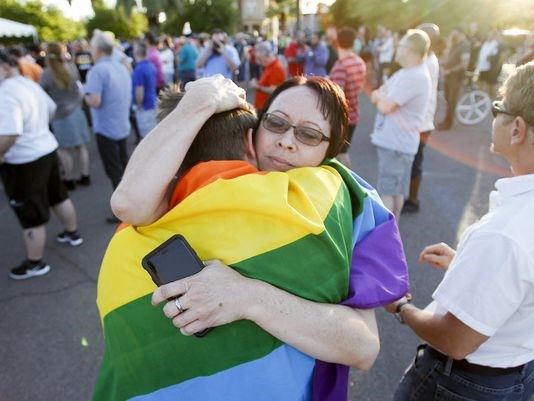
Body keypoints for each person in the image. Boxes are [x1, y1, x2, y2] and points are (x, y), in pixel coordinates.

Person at [109, 75, 409, 401]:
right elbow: (128, 202)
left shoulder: (343, 204)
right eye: (277, 123)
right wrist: (200, 100)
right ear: (255, 131)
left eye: (309, 134)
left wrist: (247, 297)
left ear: (329, 152)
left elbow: (364, 347)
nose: (287, 141)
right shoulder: (203, 183)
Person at [386, 61, 534, 401]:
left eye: (499, 108)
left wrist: (402, 308)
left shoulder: (502, 235)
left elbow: (456, 340)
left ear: (517, 130)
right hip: (519, 372)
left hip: (464, 385)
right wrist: (467, 265)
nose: (493, 115)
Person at [0, 49, 83, 280]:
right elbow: (50, 108)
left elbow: (9, 134)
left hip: (23, 160)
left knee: (30, 212)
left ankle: (35, 262)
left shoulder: (6, 93)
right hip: (45, 148)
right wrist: (37, 131)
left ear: (6, 67)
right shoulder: (29, 84)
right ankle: (72, 233)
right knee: (58, 195)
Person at [370, 29, 432, 221]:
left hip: (396, 144)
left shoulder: (413, 76)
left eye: (402, 45)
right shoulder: (408, 73)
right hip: (399, 143)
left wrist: (380, 97)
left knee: (387, 193)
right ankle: (392, 233)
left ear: (412, 49)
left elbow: (385, 105)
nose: (397, 48)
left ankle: (386, 235)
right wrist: (380, 97)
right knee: (395, 192)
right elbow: (377, 93)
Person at [84, 30, 132, 221]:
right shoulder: (121, 67)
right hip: (121, 125)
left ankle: (124, 212)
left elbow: (94, 101)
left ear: (97, 49)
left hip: (106, 128)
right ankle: (132, 203)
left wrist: (84, 95)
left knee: (115, 172)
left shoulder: (97, 71)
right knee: (124, 168)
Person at [40, 42, 91, 190]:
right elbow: (79, 87)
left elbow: (42, 95)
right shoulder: (71, 67)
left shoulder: (47, 73)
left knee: (63, 150)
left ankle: (69, 179)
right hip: (77, 111)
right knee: (81, 147)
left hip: (60, 116)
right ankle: (85, 175)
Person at [402, 23, 440, 213]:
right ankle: (410, 197)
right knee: (413, 161)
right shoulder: (429, 60)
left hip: (421, 122)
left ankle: (413, 199)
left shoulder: (427, 63)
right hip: (422, 120)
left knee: (415, 162)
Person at [329, 26, 366, 169]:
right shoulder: (359, 62)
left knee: (339, 154)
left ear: (337, 42)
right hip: (354, 113)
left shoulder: (340, 66)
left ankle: (347, 185)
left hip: (342, 117)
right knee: (342, 152)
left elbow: (337, 95)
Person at [437, 28, 470, 131]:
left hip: (455, 78)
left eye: (454, 34)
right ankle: (447, 120)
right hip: (448, 76)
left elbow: (464, 64)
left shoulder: (465, 45)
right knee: (447, 100)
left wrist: (449, 71)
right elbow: (448, 58)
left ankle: (448, 123)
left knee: (452, 101)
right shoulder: (455, 44)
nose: (453, 36)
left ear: (460, 33)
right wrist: (442, 65)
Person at [249, 42, 285, 110]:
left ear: (266, 56)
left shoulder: (276, 68)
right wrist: (258, 83)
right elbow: (267, 83)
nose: (259, 62)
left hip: (266, 108)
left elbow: (274, 90)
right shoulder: (269, 66)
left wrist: (258, 87)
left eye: (260, 59)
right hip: (262, 106)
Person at [131, 41, 157, 138]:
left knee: (147, 138)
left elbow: (139, 91)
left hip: (145, 108)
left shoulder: (139, 69)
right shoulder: (151, 66)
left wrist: (138, 105)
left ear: (136, 53)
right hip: (152, 103)